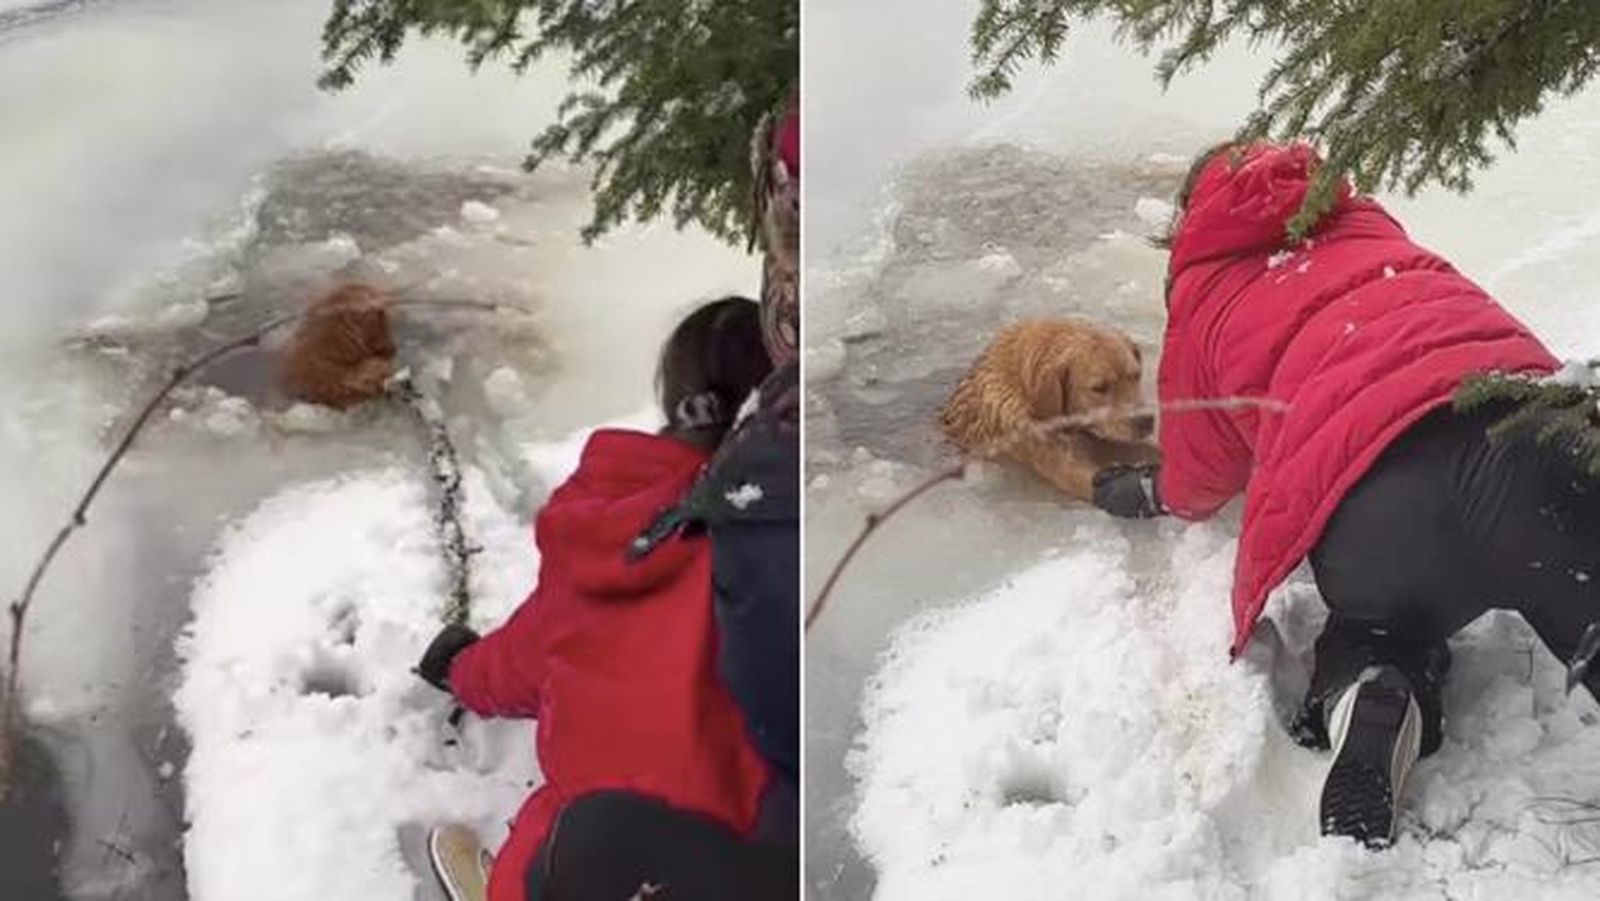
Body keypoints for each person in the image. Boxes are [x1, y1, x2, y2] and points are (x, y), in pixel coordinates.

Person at [1090, 141, 1595, 849]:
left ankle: (1375, 687)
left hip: (1373, 522)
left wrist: (1150, 490)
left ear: (1187, 219)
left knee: (1379, 623)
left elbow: (1203, 472)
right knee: (1568, 560)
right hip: (1522, 442)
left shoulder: (1205, 292)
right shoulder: (1364, 222)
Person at [415, 297, 786, 901]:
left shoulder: (607, 530)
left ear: (674, 400)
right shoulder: (777, 544)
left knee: (557, 842)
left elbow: (521, 660)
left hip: (595, 861)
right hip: (738, 856)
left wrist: (459, 669)